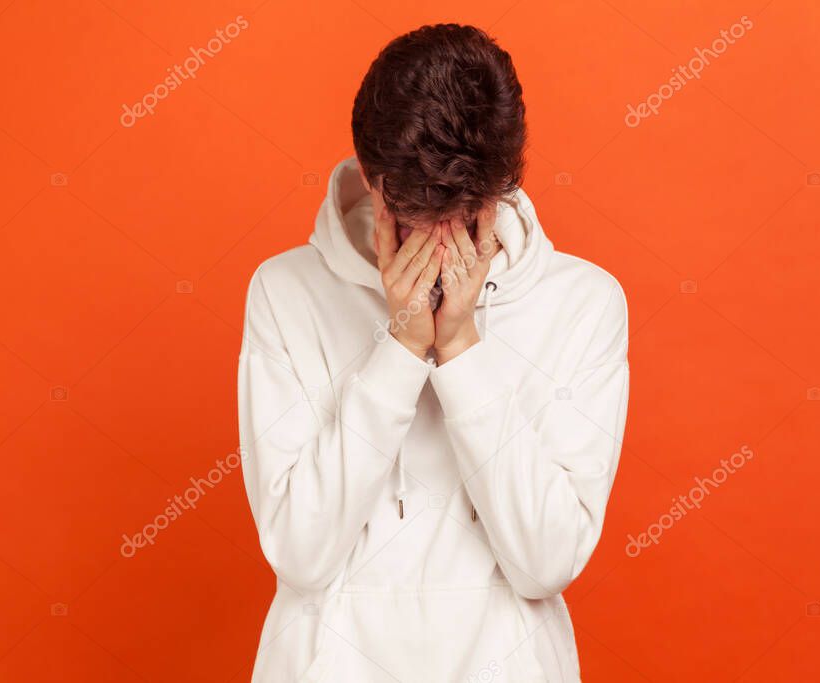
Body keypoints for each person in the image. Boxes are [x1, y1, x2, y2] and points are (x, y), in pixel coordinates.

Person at [238, 23, 628, 682]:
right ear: (371, 176)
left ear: (506, 182)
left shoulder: (585, 302)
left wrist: (461, 346)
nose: (441, 240)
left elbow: (546, 560)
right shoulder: (285, 291)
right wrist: (400, 347)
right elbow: (301, 554)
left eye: (465, 211)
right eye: (417, 212)